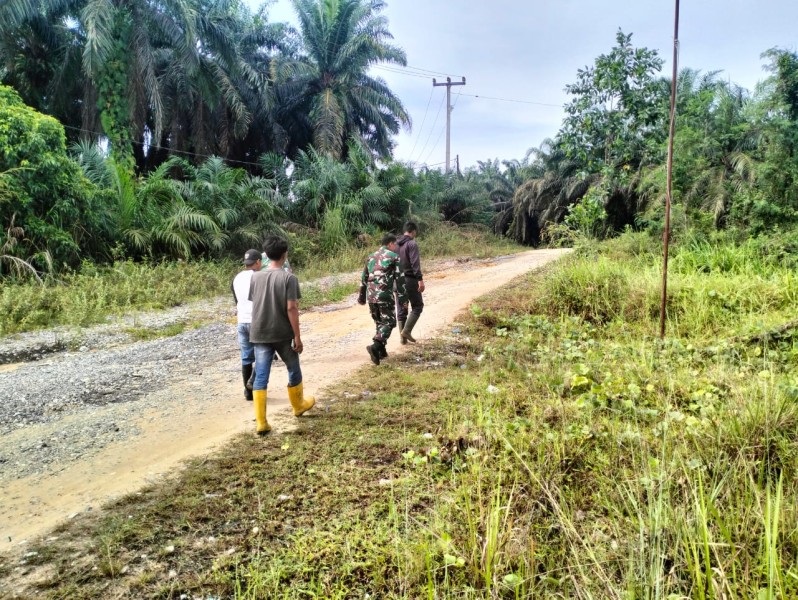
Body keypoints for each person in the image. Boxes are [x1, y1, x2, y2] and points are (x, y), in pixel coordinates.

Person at [248, 235, 315, 434]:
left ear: (266, 255)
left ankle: (261, 422)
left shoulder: (256, 277)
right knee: (293, 367)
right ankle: (298, 405)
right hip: (282, 332)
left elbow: (256, 303)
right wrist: (298, 336)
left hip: (259, 331)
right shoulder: (289, 278)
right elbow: (292, 308)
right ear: (285, 255)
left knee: (261, 374)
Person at [358, 233, 406, 365]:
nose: (396, 247)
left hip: (371, 295)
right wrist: (403, 300)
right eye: (395, 244)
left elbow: (364, 278)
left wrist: (361, 296)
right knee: (389, 322)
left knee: (379, 321)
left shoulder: (371, 256)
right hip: (384, 294)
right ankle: (376, 345)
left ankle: (381, 351)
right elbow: (400, 280)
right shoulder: (394, 257)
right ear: (390, 243)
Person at [231, 249, 261, 401]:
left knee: (246, 357)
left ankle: (248, 393)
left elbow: (236, 300)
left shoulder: (236, 278)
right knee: (263, 354)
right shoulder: (259, 277)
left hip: (242, 321)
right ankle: (252, 384)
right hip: (256, 322)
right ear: (258, 262)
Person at [395, 221, 425, 344]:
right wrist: (420, 280)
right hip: (409, 279)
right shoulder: (411, 244)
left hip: (397, 280)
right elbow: (414, 263)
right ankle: (406, 331)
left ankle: (403, 340)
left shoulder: (395, 245)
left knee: (401, 309)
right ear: (413, 231)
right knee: (417, 306)